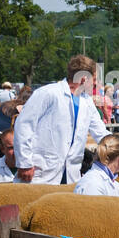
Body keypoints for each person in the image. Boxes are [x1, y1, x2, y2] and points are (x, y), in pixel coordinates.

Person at [14, 54, 108, 185]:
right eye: (95, 79)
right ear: (84, 78)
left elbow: (101, 133)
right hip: (39, 173)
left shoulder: (87, 102)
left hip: (71, 174)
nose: (96, 83)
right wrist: (24, 163)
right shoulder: (48, 93)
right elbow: (23, 126)